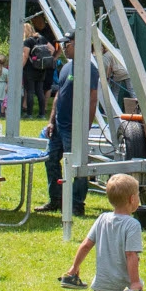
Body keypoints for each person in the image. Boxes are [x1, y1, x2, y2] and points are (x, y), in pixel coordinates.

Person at [38, 41, 93, 217]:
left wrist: (86, 126)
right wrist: (51, 121)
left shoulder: (89, 69)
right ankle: (56, 200)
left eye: (67, 44)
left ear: (78, 44)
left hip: (74, 127)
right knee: (50, 159)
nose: (63, 48)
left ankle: (77, 205)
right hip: (59, 127)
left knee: (78, 166)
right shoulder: (66, 68)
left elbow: (93, 99)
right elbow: (58, 96)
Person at [22, 24, 56, 120]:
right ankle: (42, 114)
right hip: (41, 68)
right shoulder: (42, 38)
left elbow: (25, 56)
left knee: (30, 91)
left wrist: (21, 68)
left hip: (30, 69)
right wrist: (44, 60)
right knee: (40, 91)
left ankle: (29, 114)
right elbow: (52, 49)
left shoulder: (27, 41)